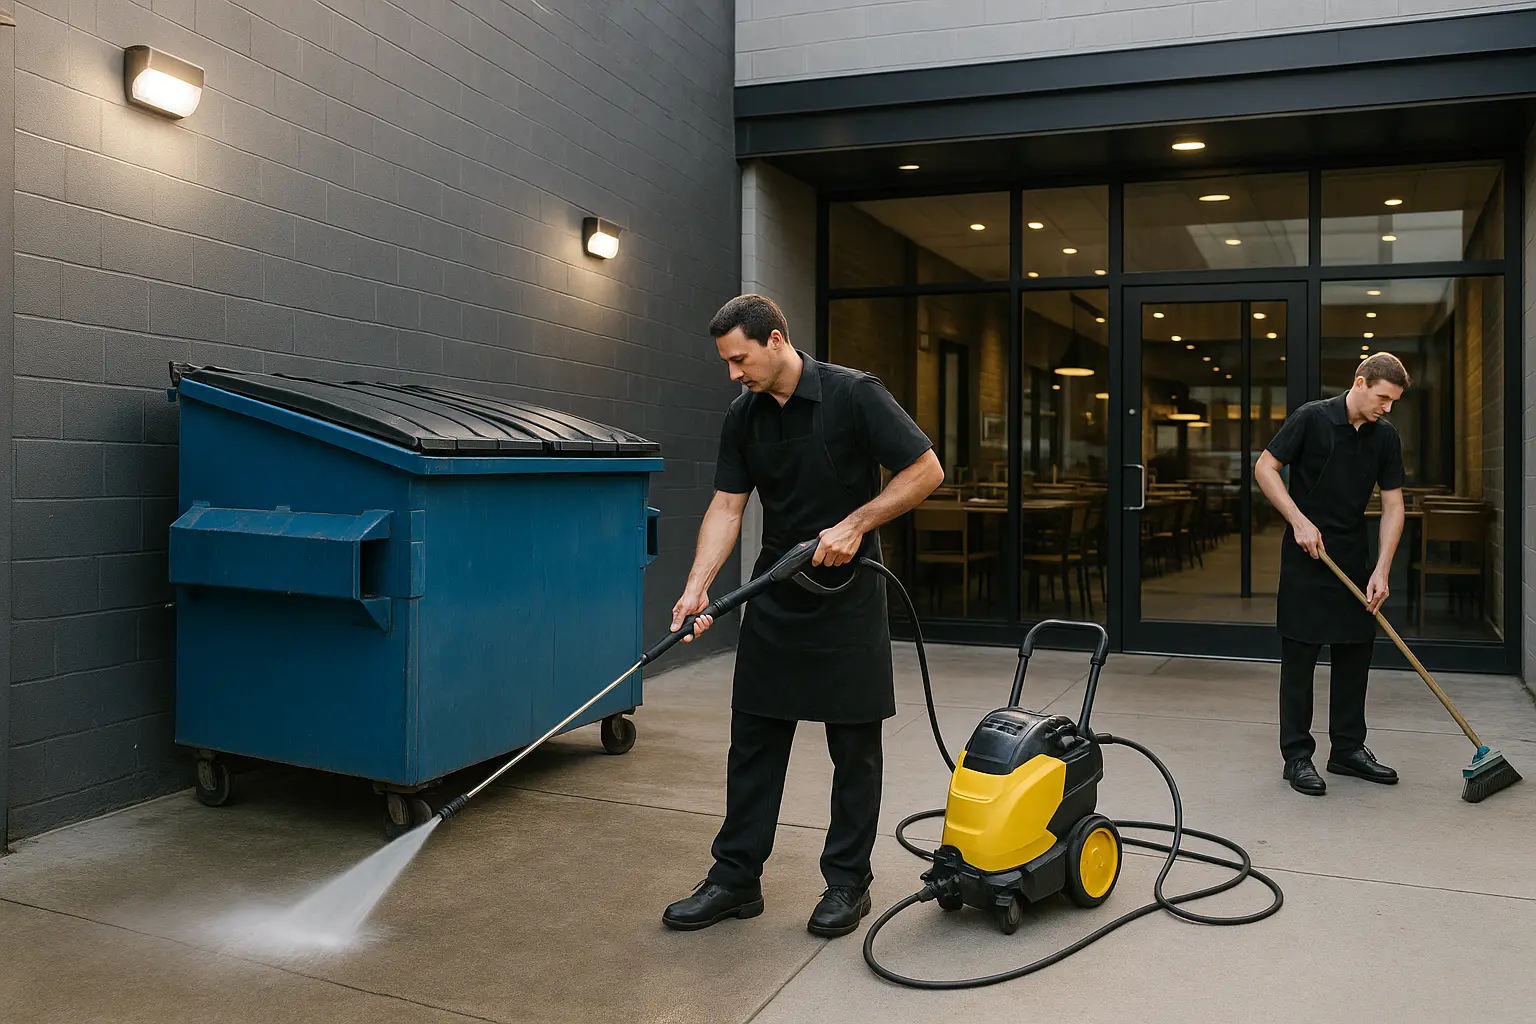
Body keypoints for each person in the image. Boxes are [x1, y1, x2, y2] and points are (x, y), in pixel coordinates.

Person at [660, 294, 944, 937]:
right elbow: (727, 508)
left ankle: (848, 884)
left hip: (849, 596)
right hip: (777, 593)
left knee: (853, 749)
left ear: (777, 339)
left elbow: (926, 469)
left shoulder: (854, 395)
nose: (734, 373)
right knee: (754, 743)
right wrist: (696, 587)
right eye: (728, 363)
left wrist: (857, 522)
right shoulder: (744, 417)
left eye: (740, 359)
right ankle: (735, 880)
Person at [1254, 352, 1410, 797]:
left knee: (1354, 655)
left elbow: (1394, 504)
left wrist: (1381, 568)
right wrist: (1297, 519)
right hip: (1306, 555)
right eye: (1383, 397)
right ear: (1360, 383)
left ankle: (1347, 750)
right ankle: (1297, 757)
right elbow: (1265, 467)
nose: (1388, 407)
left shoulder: (1386, 437)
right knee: (1300, 660)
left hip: (1353, 557)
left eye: (1394, 401)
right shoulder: (1312, 418)